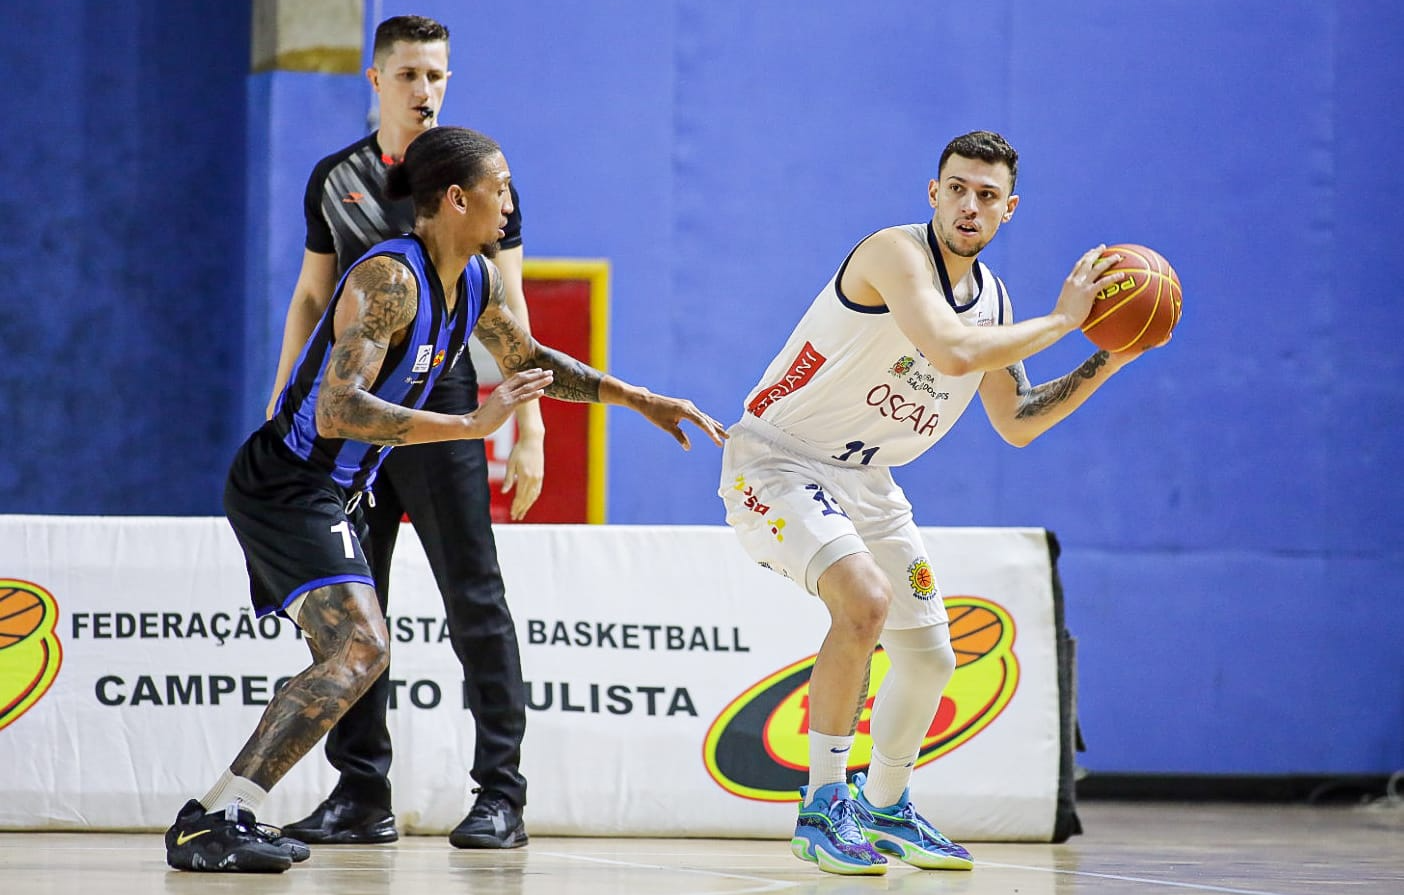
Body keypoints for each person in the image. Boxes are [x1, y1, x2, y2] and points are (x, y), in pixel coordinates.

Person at [166, 125, 728, 873]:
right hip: (288, 485)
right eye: (500, 186)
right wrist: (470, 423)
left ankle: (226, 811)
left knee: (352, 651)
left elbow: (528, 359)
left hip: (334, 490)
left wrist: (635, 396)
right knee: (361, 646)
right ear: (457, 198)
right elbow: (338, 409)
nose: (510, 200)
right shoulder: (388, 280)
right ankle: (218, 816)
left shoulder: (477, 279)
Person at [719, 130, 1164, 876]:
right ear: (933, 192)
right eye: (957, 187)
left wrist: (1108, 356)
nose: (969, 203)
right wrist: (1065, 321)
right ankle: (823, 805)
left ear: (1008, 210)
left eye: (987, 195)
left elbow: (1016, 421)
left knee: (930, 657)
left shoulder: (993, 301)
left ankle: (886, 804)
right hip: (777, 462)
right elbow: (953, 351)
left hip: (869, 483)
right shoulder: (893, 254)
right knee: (863, 602)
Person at [265, 16, 544, 849]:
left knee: (476, 599)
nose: (427, 90)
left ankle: (502, 794)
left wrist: (528, 425)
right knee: (356, 609)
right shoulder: (335, 178)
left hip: (446, 398)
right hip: (350, 417)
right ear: (376, 79)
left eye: (439, 76)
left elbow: (512, 317)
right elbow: (312, 299)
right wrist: (284, 402)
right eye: (413, 75)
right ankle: (361, 794)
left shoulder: (481, 180)